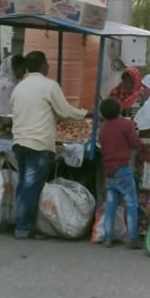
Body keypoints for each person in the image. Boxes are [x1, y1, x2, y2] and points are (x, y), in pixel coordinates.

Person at [10, 51, 88, 239]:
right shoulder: (49, 85)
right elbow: (65, 111)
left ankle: (22, 222)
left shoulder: (19, 87)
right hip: (39, 143)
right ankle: (23, 227)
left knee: (24, 184)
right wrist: (85, 114)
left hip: (19, 141)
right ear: (44, 66)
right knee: (31, 187)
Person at [97, 98, 142, 249]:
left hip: (109, 171)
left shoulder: (103, 130)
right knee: (131, 203)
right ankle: (133, 238)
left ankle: (108, 237)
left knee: (111, 205)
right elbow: (135, 143)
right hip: (123, 169)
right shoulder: (126, 125)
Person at [0, 54, 27, 137]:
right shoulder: (8, 84)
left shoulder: (4, 81)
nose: (24, 71)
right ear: (13, 69)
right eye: (22, 68)